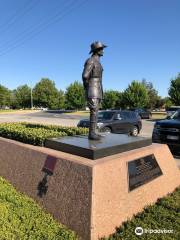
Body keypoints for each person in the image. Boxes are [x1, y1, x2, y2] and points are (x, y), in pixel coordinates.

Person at [82, 41, 107, 140]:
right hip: (93, 87)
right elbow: (85, 76)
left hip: (98, 87)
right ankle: (91, 134)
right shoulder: (91, 60)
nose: (103, 51)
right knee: (94, 111)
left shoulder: (98, 62)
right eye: (102, 49)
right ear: (97, 50)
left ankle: (93, 132)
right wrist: (88, 87)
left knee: (96, 111)